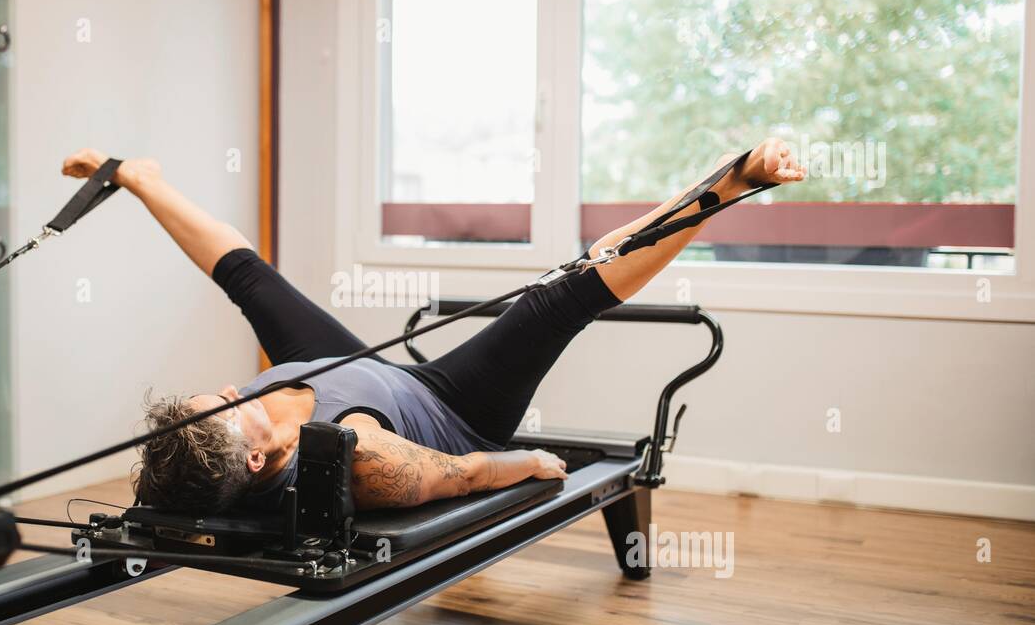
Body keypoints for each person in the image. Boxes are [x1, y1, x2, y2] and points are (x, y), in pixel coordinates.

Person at [61, 140, 804, 513]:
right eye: (229, 407)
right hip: (449, 409)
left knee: (248, 278)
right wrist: (532, 463)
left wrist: (129, 179)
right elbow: (466, 472)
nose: (229, 387)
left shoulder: (254, 427)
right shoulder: (359, 459)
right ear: (263, 461)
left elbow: (236, 278)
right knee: (556, 300)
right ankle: (732, 184)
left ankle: (144, 179)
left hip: (332, 376)